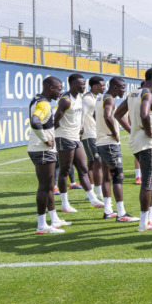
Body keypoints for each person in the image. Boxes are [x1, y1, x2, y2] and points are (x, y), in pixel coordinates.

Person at [114, 68, 152, 232]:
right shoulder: (147, 95)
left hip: (136, 142)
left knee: (150, 179)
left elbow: (118, 114)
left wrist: (132, 130)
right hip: (146, 144)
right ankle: (144, 223)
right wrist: (149, 132)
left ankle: (149, 216)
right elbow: (144, 114)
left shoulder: (133, 93)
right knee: (148, 182)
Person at [54, 73, 104, 212]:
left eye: (84, 83)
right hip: (65, 137)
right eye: (80, 84)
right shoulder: (65, 100)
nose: (83, 86)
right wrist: (59, 134)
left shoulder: (79, 98)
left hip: (76, 138)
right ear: (72, 85)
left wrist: (79, 129)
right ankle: (64, 204)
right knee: (64, 171)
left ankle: (93, 198)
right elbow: (55, 120)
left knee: (83, 168)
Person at [28, 76, 71, 234]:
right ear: (50, 88)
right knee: (45, 187)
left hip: (39, 149)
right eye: (59, 89)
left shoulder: (37, 99)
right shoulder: (44, 103)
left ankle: (54, 219)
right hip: (42, 150)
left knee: (49, 186)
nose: (60, 92)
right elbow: (35, 121)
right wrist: (45, 139)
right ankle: (41, 225)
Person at [96, 77, 136, 222]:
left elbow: (96, 116)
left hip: (100, 142)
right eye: (122, 87)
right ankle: (121, 214)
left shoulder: (100, 98)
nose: (124, 90)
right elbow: (107, 116)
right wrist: (113, 132)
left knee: (106, 176)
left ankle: (108, 210)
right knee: (118, 177)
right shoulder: (110, 100)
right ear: (114, 87)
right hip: (110, 143)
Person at [82, 76, 104, 200]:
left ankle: (89, 192)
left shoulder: (97, 97)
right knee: (97, 162)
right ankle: (99, 192)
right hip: (89, 134)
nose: (104, 87)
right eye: (102, 85)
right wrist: (80, 129)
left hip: (95, 133)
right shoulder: (87, 99)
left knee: (91, 163)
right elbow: (81, 115)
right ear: (95, 86)